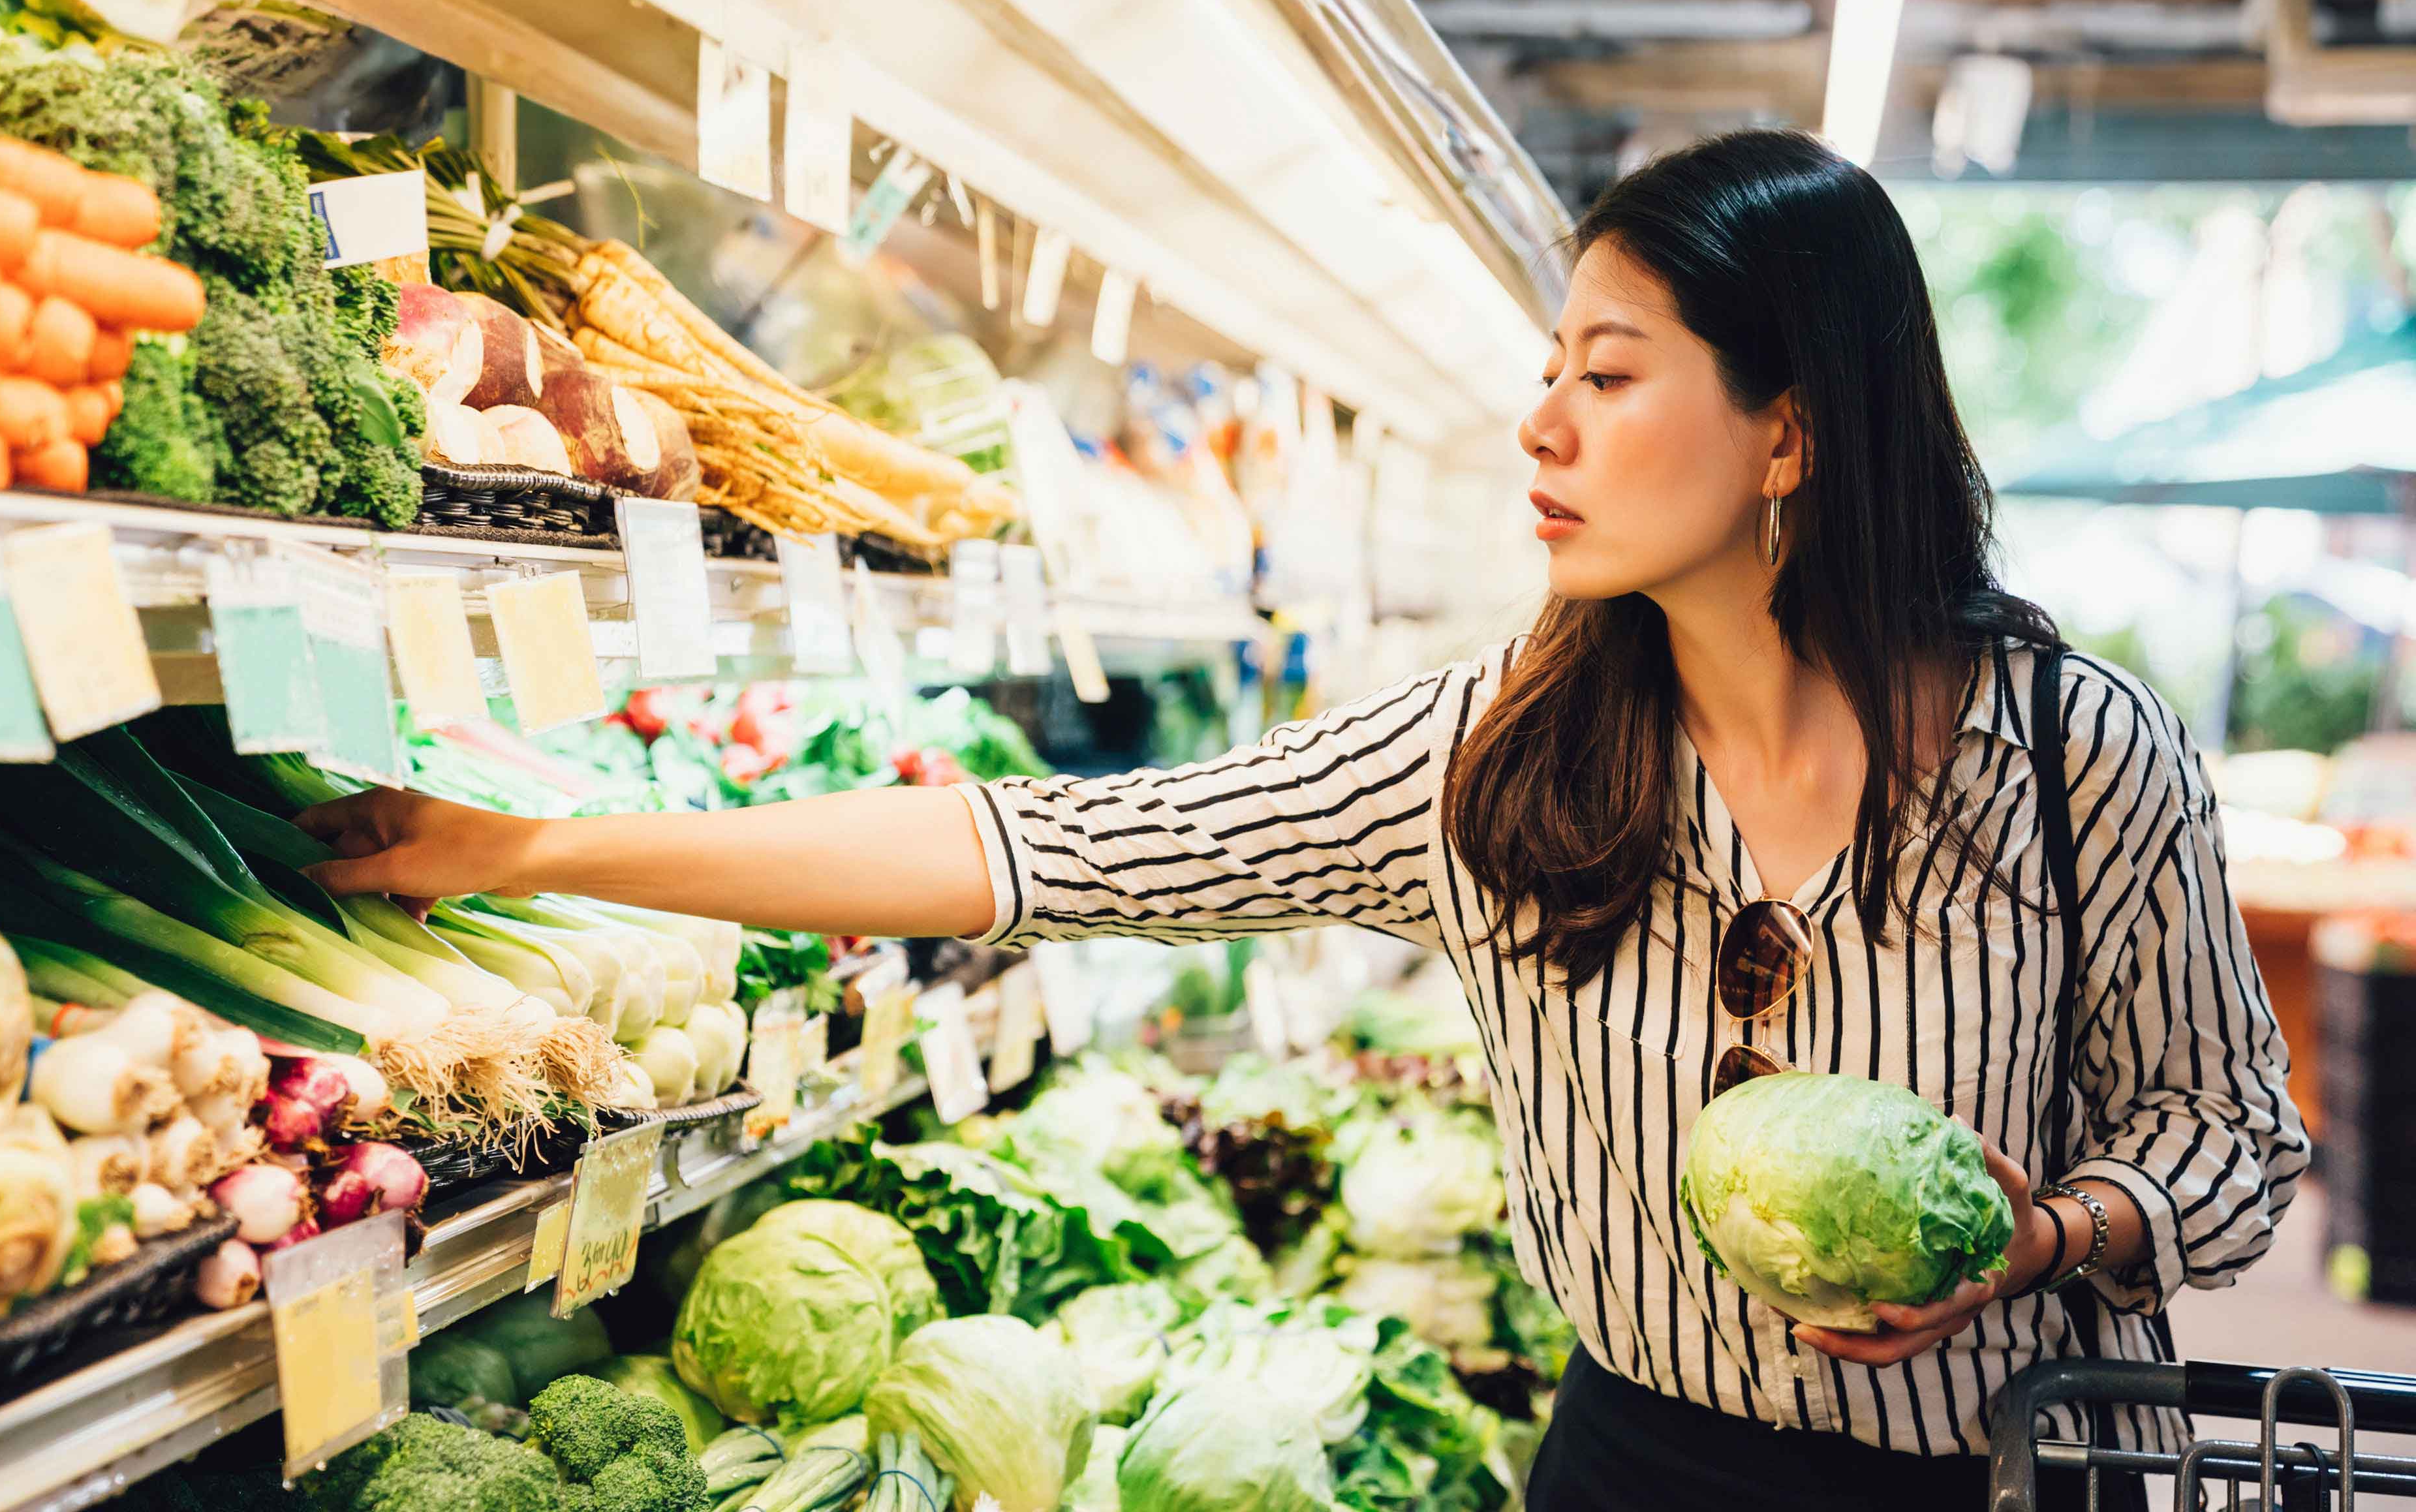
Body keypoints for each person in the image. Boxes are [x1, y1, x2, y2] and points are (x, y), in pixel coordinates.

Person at [300, 129, 2304, 1511]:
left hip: (2016, 1472)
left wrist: (2043, 1231)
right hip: (1634, 1468)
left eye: (1611, 377)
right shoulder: (1498, 767)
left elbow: (2229, 1138)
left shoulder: (2074, 755)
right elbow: (1033, 854)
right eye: (1549, 373)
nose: (1543, 427)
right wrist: (524, 851)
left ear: (1789, 429)